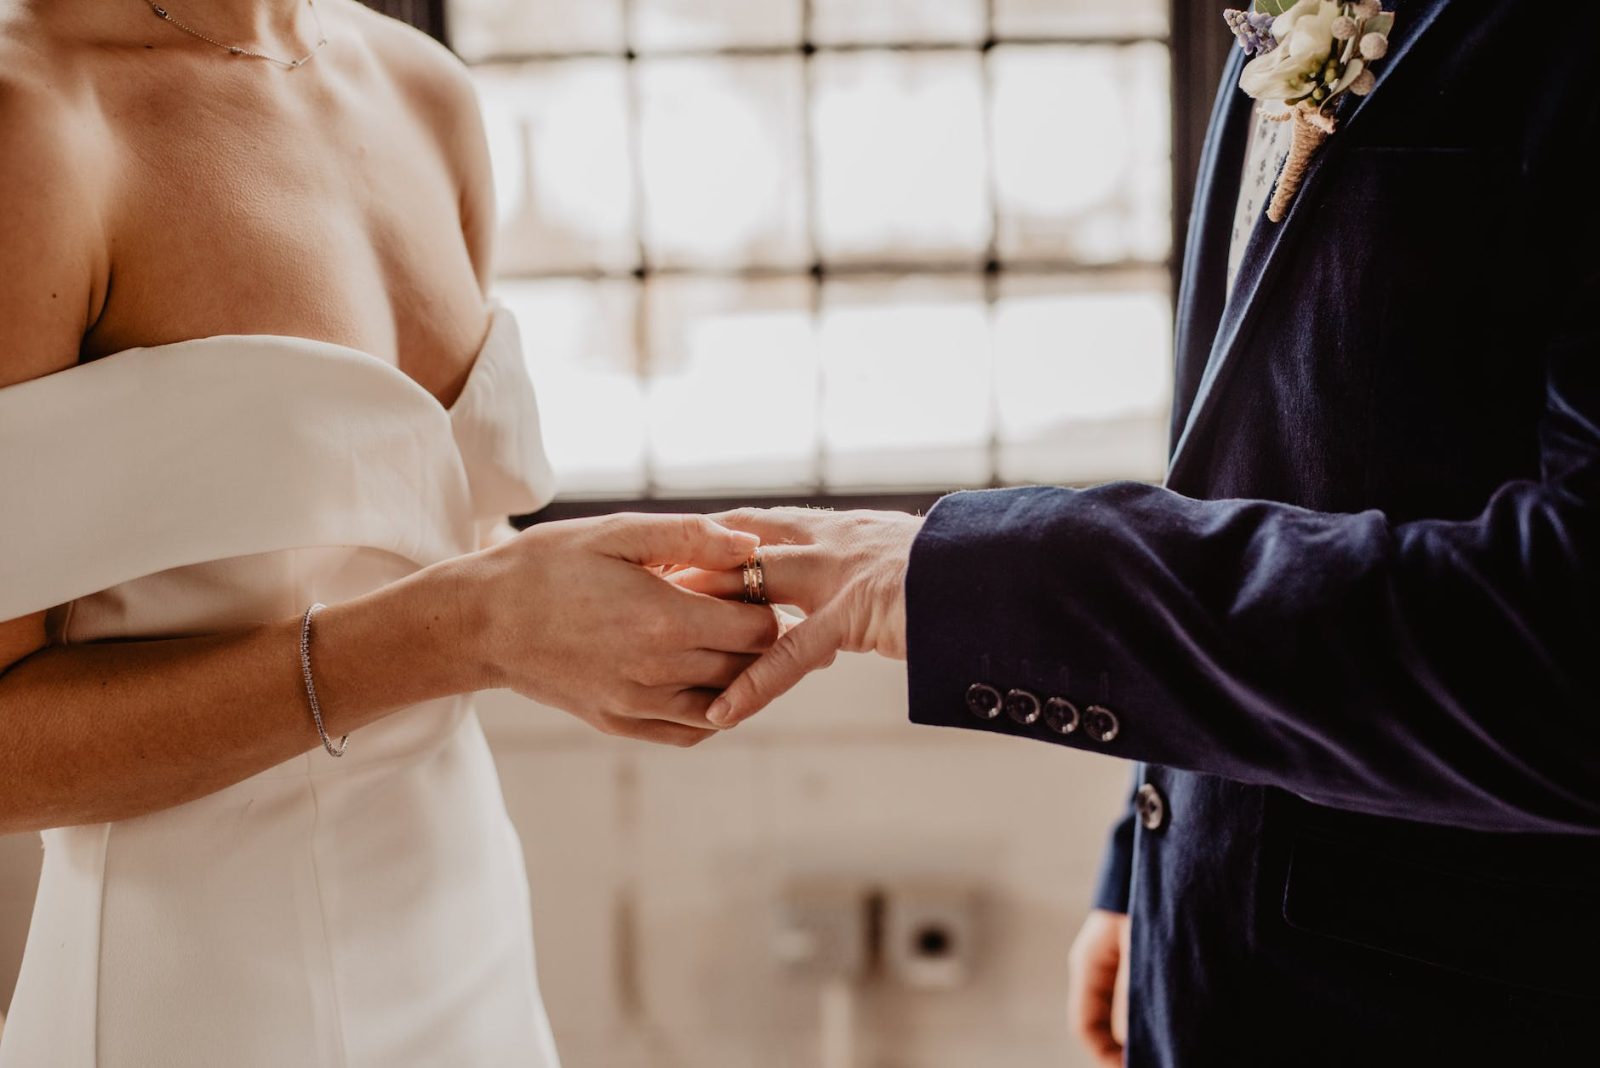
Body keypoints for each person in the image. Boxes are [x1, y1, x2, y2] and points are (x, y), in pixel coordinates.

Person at [696, 2, 1600, 1064]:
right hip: (1220, 940)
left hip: (1462, 997)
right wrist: (1149, 848)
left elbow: (1566, 637)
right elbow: (1259, 449)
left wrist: (971, 577)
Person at [0, 1, 777, 1063]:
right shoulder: (31, 120)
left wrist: (611, 614)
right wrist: (468, 629)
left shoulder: (423, 89)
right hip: (200, 999)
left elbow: (429, 534)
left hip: (469, 942)